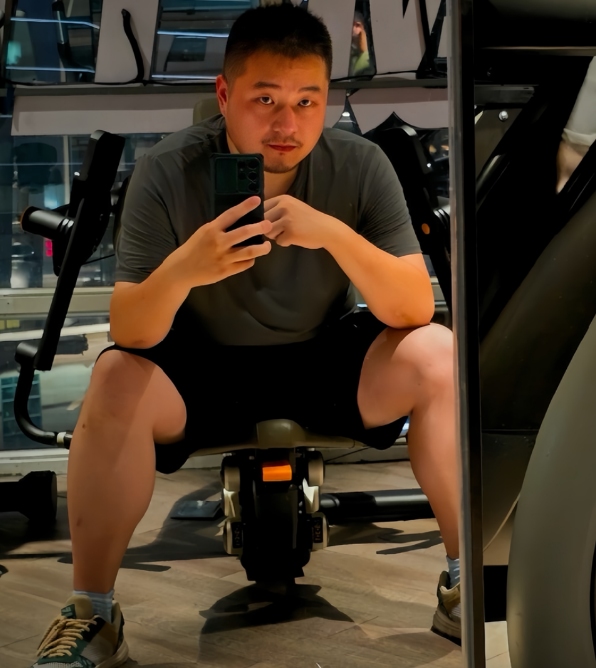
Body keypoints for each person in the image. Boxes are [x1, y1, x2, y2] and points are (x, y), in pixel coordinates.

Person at [30, 5, 460, 667]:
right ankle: (92, 611)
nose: (287, 124)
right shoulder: (167, 171)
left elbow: (412, 307)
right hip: (203, 365)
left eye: (307, 101)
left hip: (321, 358)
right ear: (224, 94)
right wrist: (187, 267)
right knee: (114, 374)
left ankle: (463, 582)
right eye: (265, 99)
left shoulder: (360, 164)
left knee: (438, 352)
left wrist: (330, 234)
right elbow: (130, 329)